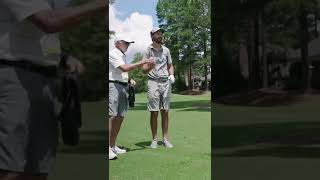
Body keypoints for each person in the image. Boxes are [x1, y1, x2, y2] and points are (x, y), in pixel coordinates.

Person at [0, 0, 107, 179]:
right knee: (11, 170)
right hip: (13, 77)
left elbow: (40, 36)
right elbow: (50, 22)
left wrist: (60, 58)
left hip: (43, 81)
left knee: (37, 170)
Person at [109, 35, 154, 160]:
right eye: (126, 43)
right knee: (112, 117)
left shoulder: (122, 55)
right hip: (113, 86)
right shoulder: (113, 53)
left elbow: (121, 72)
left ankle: (112, 146)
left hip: (122, 86)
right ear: (118, 43)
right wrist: (143, 61)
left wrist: (128, 79)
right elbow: (124, 68)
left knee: (120, 117)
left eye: (129, 43)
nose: (128, 45)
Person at [142, 27, 175, 149]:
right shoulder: (147, 51)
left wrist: (171, 74)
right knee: (154, 112)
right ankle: (154, 139)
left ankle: (165, 139)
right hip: (153, 82)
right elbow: (144, 70)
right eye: (157, 33)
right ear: (152, 36)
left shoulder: (166, 50)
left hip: (165, 83)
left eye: (161, 33)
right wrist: (151, 64)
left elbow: (170, 65)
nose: (160, 35)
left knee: (165, 111)